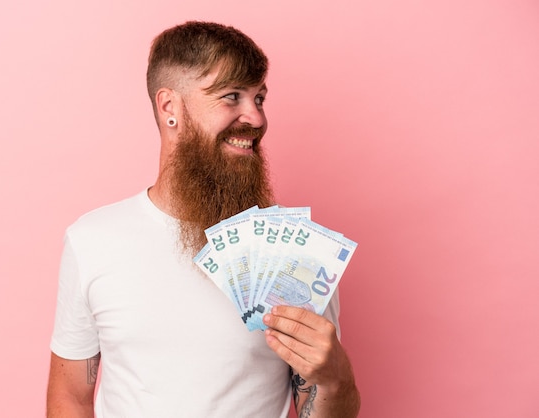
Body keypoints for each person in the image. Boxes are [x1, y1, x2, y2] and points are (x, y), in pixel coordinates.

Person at [46, 21, 360, 418]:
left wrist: (335, 377)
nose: (257, 118)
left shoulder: (294, 256)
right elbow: (70, 397)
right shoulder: (91, 241)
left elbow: (326, 408)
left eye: (259, 98)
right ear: (170, 107)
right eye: (232, 97)